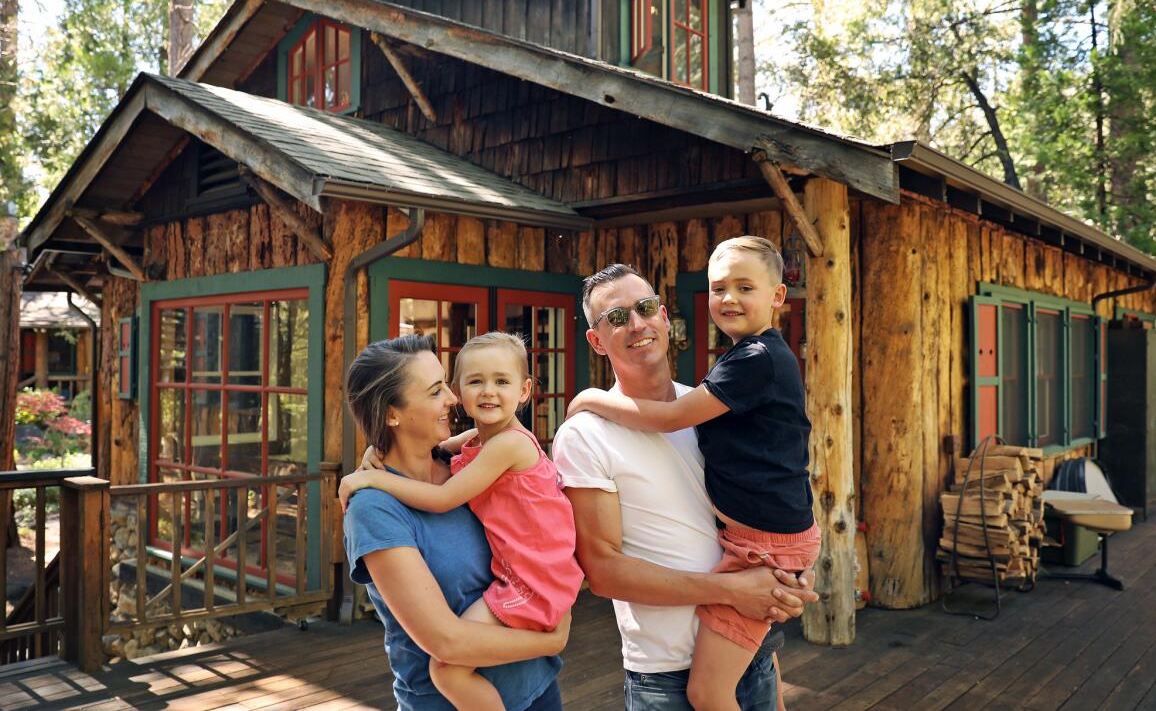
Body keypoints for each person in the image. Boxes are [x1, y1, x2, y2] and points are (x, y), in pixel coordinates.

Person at [554, 262, 818, 711]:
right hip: (665, 674)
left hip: (750, 650)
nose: (636, 323)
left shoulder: (710, 407)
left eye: (645, 307)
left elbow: (761, 507)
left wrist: (786, 578)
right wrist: (736, 590)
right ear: (596, 341)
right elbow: (603, 571)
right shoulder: (585, 435)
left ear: (662, 317)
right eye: (616, 317)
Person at [341, 332, 583, 710]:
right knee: (446, 668)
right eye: (437, 390)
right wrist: (550, 640)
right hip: (450, 702)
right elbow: (446, 642)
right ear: (392, 414)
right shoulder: (374, 509)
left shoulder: (466, 467)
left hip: (536, 685)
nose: (454, 399)